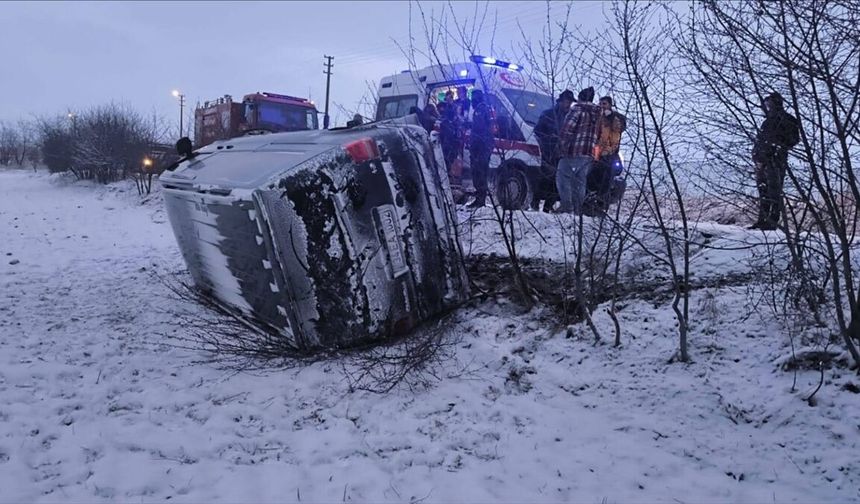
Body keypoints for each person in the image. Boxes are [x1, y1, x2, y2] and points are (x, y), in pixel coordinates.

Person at [751, 92, 799, 230]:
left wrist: (778, 148)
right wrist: (756, 155)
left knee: (774, 191)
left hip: (776, 160)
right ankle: (763, 219)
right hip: (762, 161)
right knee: (763, 191)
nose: (768, 106)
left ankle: (772, 222)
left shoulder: (787, 120)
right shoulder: (768, 121)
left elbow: (794, 140)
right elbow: (760, 141)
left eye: (770, 103)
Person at [556, 87, 602, 214]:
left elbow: (567, 129)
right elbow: (599, 136)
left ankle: (567, 207)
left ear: (580, 98)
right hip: (589, 154)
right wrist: (596, 155)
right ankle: (577, 210)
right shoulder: (598, 114)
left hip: (574, 151)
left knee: (562, 176)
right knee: (580, 181)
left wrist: (561, 146)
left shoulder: (577, 110)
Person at [584, 96, 627, 216]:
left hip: (609, 154)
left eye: (604, 104)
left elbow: (619, 128)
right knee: (591, 178)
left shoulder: (615, 118)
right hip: (596, 152)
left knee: (606, 181)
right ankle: (587, 204)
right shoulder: (598, 117)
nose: (602, 106)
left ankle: (601, 205)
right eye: (600, 103)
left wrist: (611, 117)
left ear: (610, 105)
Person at [533, 89, 574, 212]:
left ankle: (548, 205)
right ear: (561, 102)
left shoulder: (569, 117)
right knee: (544, 179)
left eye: (570, 102)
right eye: (567, 101)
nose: (568, 105)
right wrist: (549, 139)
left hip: (561, 154)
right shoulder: (548, 114)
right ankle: (535, 201)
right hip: (547, 151)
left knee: (557, 180)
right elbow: (538, 131)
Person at [467, 89, 494, 208]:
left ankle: (480, 199)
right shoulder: (484, 108)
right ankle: (480, 198)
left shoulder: (480, 110)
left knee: (478, 172)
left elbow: (479, 129)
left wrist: (474, 146)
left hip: (480, 148)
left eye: (473, 99)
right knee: (480, 172)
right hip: (483, 146)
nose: (471, 101)